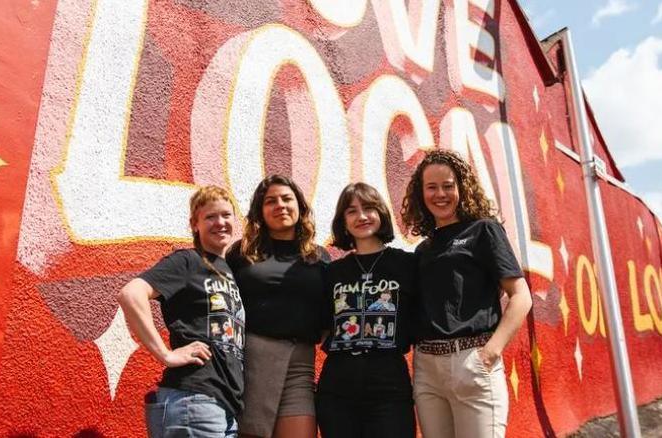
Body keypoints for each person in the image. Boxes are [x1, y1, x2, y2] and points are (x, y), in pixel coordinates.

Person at [401, 149, 532, 438]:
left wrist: (490, 353)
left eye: (448, 186)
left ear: (462, 187)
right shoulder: (424, 249)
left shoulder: (484, 231)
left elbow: (521, 296)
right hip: (427, 370)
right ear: (421, 194)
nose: (440, 194)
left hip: (473, 361)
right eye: (431, 187)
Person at [117, 185, 245, 438]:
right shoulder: (188, 261)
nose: (220, 222)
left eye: (226, 215)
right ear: (194, 224)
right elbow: (131, 294)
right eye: (210, 217)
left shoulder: (229, 271)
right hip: (194, 402)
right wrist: (165, 355)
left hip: (224, 407)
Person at [227, 175, 329, 438]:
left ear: (300, 206)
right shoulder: (242, 252)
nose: (280, 205)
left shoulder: (319, 257)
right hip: (253, 362)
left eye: (287, 199)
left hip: (301, 364)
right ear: (260, 211)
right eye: (270, 201)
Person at [316, 182, 416, 438]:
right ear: (343, 221)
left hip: (389, 384)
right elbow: (322, 321)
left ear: (381, 213)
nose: (361, 216)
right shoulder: (333, 272)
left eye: (369, 208)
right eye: (351, 211)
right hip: (338, 386)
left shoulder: (407, 264)